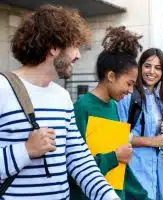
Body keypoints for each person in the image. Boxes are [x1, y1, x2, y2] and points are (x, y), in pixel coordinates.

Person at [0, 5, 119, 200]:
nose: (78, 55)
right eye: (75, 46)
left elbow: (79, 160)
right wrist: (26, 150)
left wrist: (110, 197)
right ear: (54, 47)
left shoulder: (62, 97)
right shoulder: (2, 89)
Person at [70, 26, 149, 200]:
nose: (130, 91)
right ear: (111, 76)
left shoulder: (113, 107)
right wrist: (114, 157)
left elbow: (121, 170)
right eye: (128, 83)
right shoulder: (81, 107)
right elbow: (75, 168)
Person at [118, 48, 163, 200]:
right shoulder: (127, 96)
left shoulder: (160, 101)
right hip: (133, 175)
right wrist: (152, 141)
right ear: (140, 67)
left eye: (158, 68)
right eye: (148, 66)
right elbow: (118, 137)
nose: (152, 71)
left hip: (155, 176)